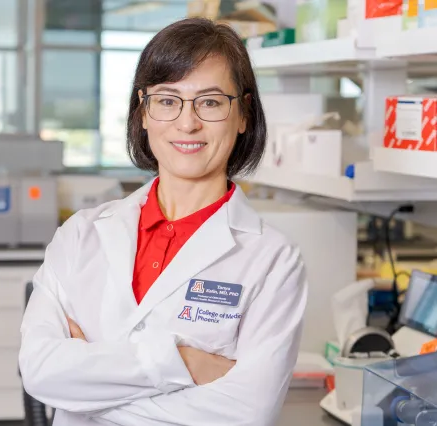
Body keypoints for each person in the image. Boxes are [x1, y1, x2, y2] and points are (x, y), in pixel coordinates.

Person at [19, 17, 308, 426]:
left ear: (242, 115)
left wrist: (85, 392)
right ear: (143, 114)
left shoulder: (273, 259)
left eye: (209, 102)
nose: (186, 123)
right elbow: (39, 370)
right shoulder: (81, 234)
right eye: (168, 100)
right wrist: (179, 363)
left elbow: (247, 412)